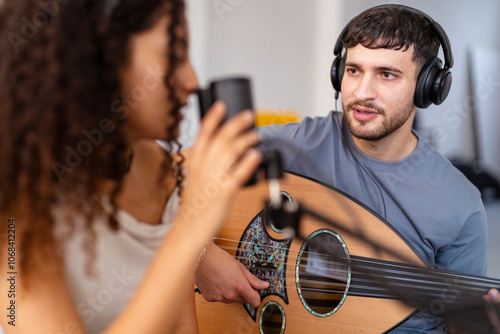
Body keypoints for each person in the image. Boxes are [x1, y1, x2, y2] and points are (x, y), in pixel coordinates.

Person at [0, 0, 263, 333]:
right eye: (173, 55)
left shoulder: (161, 176)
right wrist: (191, 226)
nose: (192, 80)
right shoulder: (14, 208)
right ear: (98, 61)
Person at [256, 4, 500, 334]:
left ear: (428, 87)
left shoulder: (461, 204)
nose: (361, 92)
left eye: (386, 74)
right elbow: (174, 171)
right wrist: (203, 259)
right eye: (354, 70)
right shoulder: (299, 143)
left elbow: (464, 324)